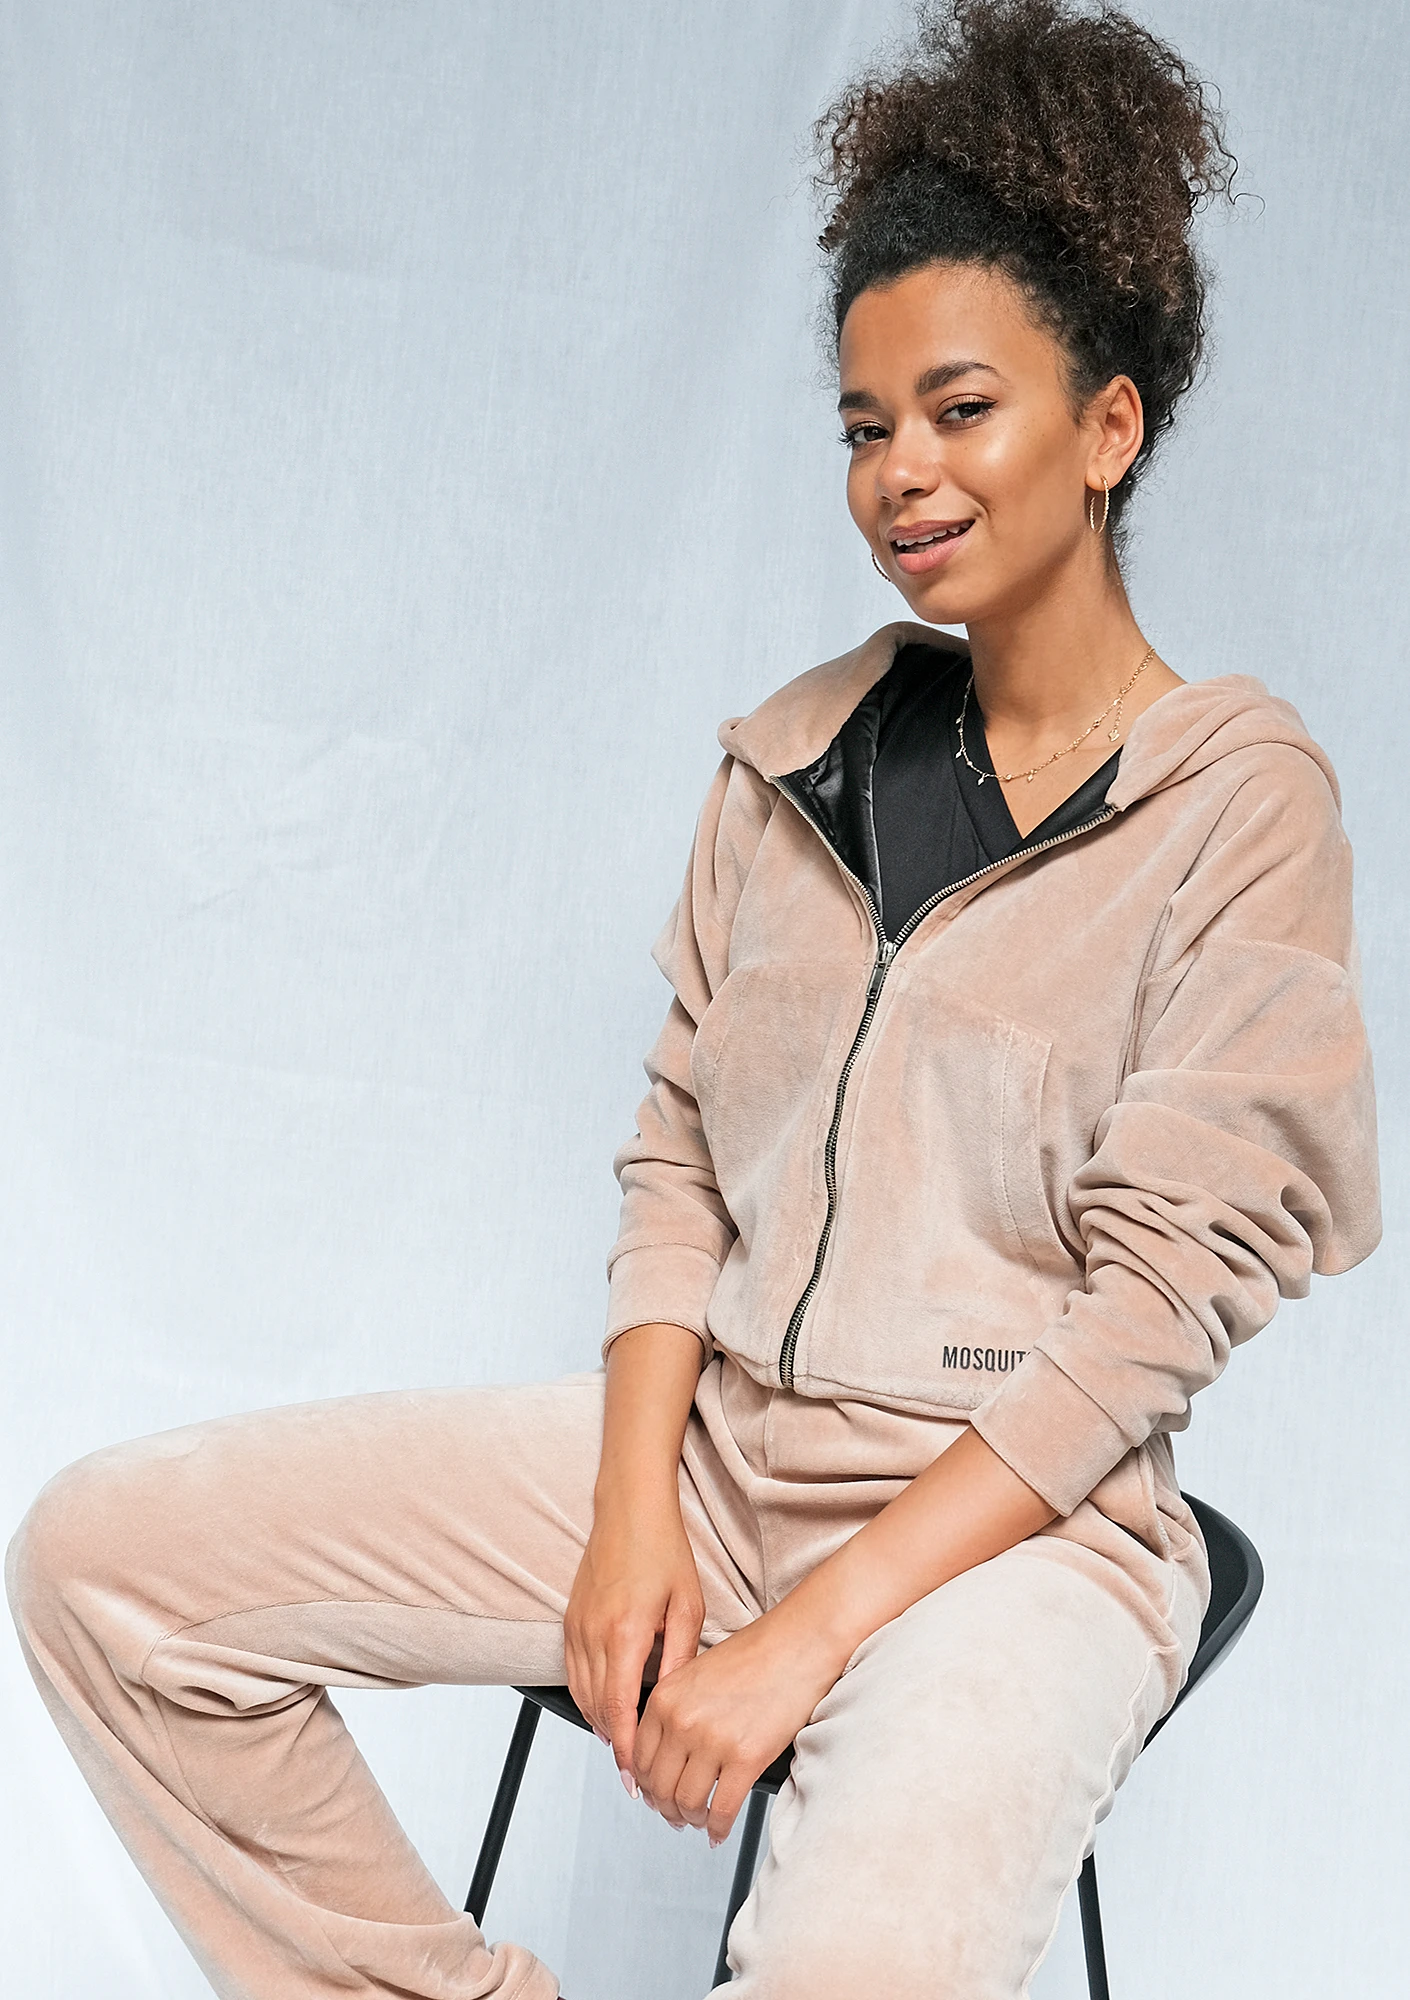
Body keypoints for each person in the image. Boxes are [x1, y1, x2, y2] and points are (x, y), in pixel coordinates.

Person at [6, 3, 1381, 1996]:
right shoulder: (792, 758)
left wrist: (802, 1642)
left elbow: (1152, 1318)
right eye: (864, 426)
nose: (902, 474)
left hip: (1019, 1544)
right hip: (719, 1456)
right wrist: (632, 1518)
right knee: (108, 1570)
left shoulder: (1236, 808)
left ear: (1108, 427)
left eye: (960, 409)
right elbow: (678, 1163)